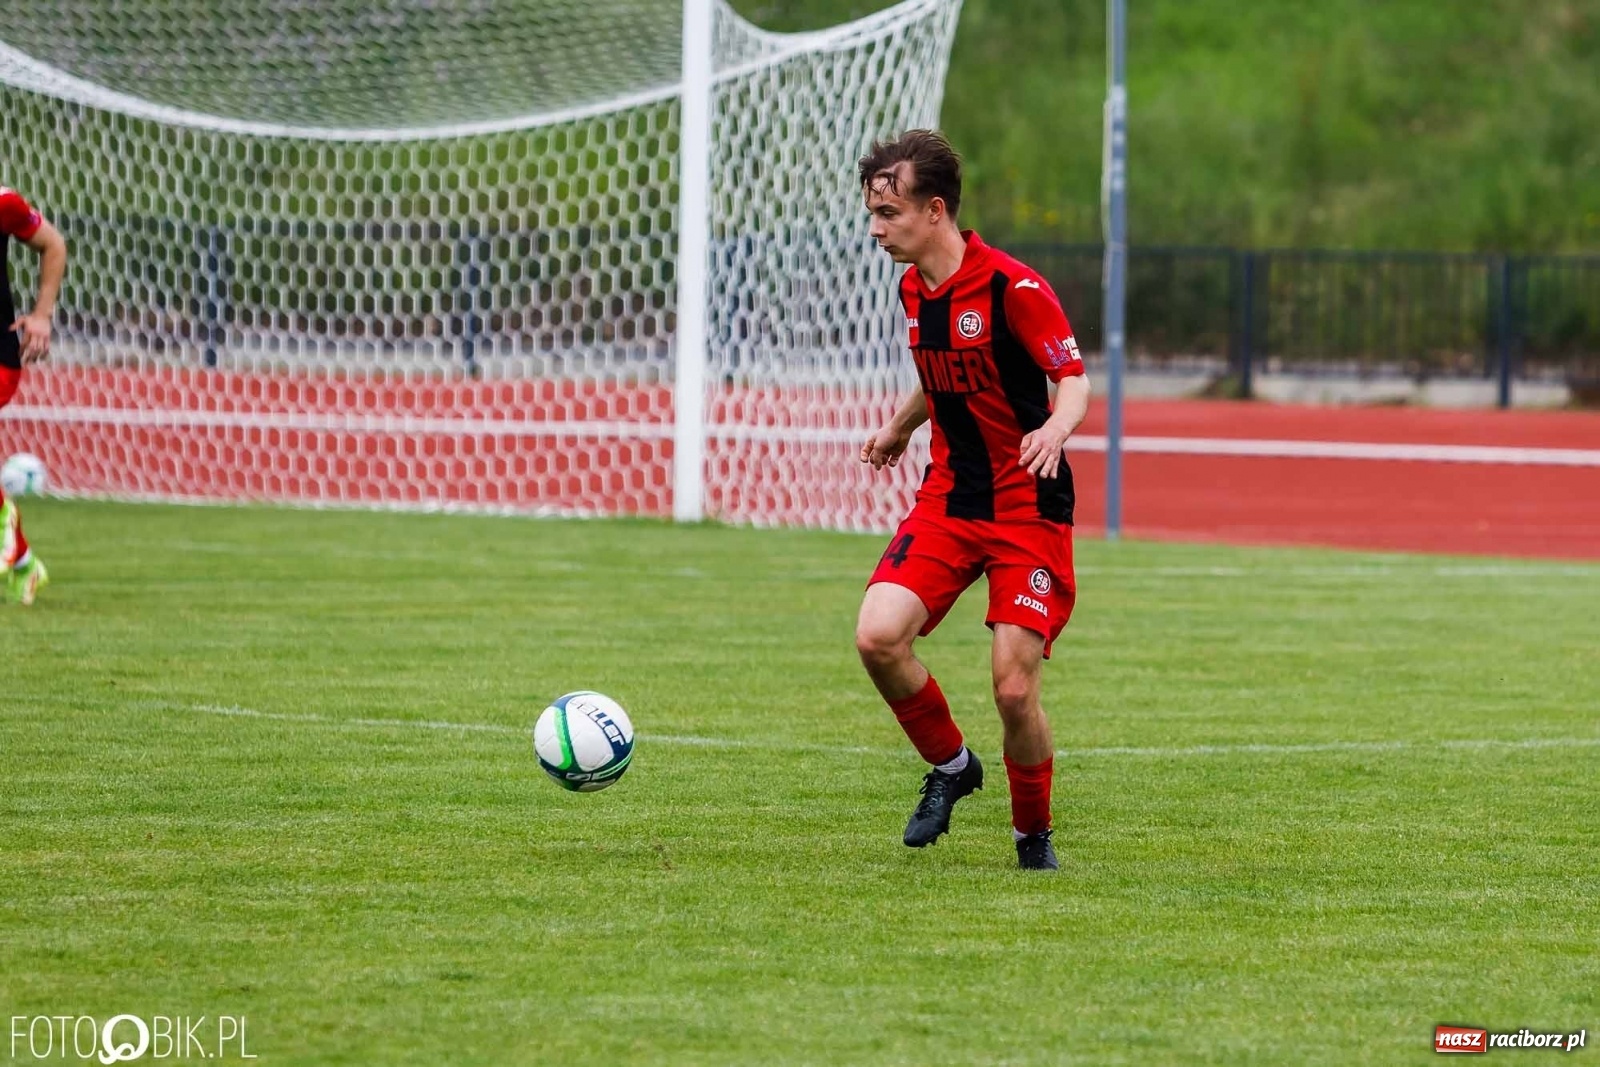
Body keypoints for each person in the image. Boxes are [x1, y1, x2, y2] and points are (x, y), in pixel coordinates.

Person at [854, 130, 1090, 871]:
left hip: (1027, 507)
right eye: (871, 212)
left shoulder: (1011, 287)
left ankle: (1032, 836)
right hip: (951, 499)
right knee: (877, 636)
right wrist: (898, 425)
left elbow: (1074, 378)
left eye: (888, 212)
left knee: (1014, 690)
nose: (875, 228)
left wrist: (1054, 426)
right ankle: (953, 767)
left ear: (934, 210)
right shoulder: (912, 288)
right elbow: (942, 369)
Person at [1, 184, 66, 606]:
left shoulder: (4, 203)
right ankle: (23, 562)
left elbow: (53, 244)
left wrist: (42, 315)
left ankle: (7, 528)